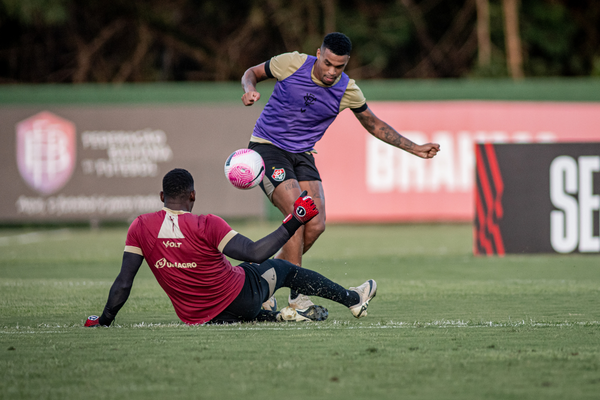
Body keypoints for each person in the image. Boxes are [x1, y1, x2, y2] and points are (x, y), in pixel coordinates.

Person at [241, 32, 440, 312]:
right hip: (268, 147)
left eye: (340, 67)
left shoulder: (348, 90)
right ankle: (297, 300)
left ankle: (261, 279)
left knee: (316, 224)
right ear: (318, 53)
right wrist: (249, 89)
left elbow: (374, 124)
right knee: (298, 215)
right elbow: (251, 72)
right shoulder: (291, 63)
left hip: (303, 155)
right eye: (328, 64)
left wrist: (415, 148)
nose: (332, 72)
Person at [84, 168, 377, 327]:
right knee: (282, 268)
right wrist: (294, 220)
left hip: (197, 316)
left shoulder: (140, 226)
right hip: (238, 298)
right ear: (193, 195)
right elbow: (254, 252)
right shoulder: (206, 223)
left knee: (247, 274)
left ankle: (277, 314)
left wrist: (104, 320)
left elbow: (123, 283)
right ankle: (353, 298)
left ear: (162, 195)